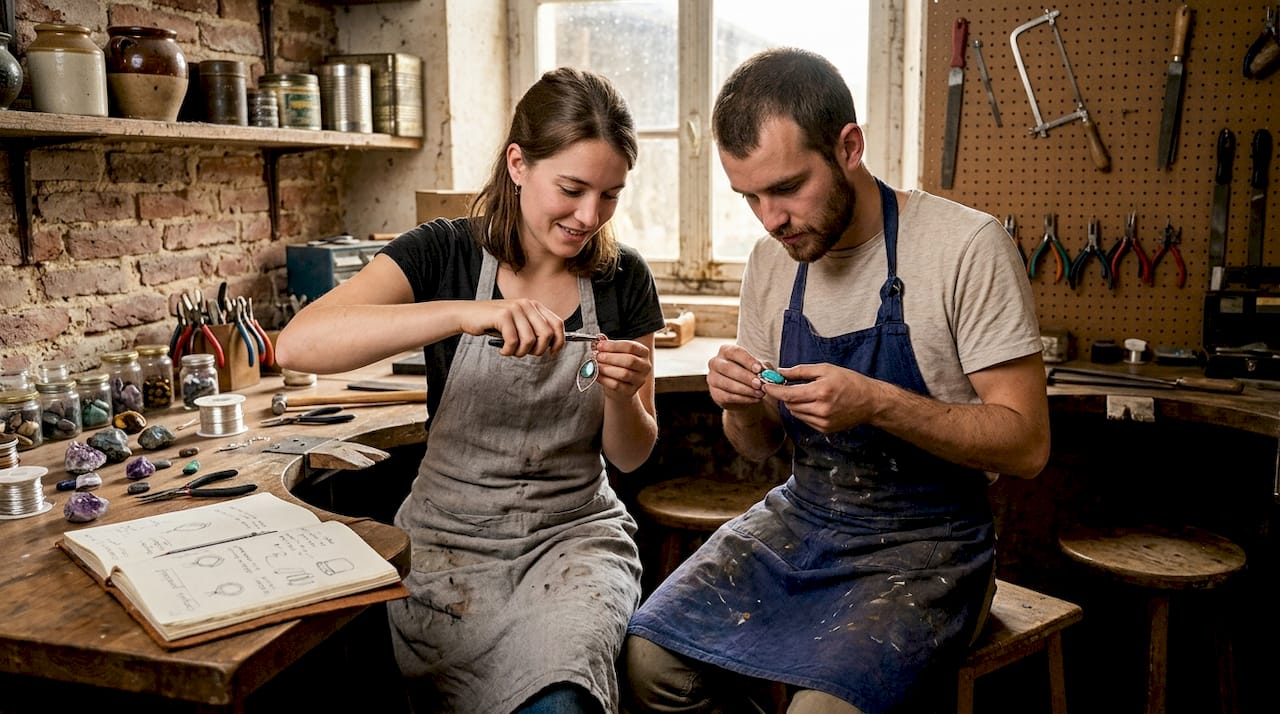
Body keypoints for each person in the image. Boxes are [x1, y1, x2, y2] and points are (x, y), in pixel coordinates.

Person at [623, 48, 1051, 714]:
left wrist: (876, 401)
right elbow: (758, 446)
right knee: (649, 661)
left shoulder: (965, 246)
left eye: (788, 187)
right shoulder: (773, 262)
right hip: (805, 519)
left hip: (931, 544)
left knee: (822, 711)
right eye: (749, 197)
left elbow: (1027, 446)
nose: (770, 219)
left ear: (849, 146)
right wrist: (739, 404)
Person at [276, 66, 667, 714]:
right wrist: (463, 313)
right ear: (518, 163)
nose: (588, 216)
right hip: (448, 545)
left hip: (572, 541)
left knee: (561, 701)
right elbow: (299, 344)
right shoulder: (444, 253)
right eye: (571, 189)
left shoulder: (622, 279)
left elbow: (630, 456)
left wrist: (625, 397)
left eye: (610, 195)